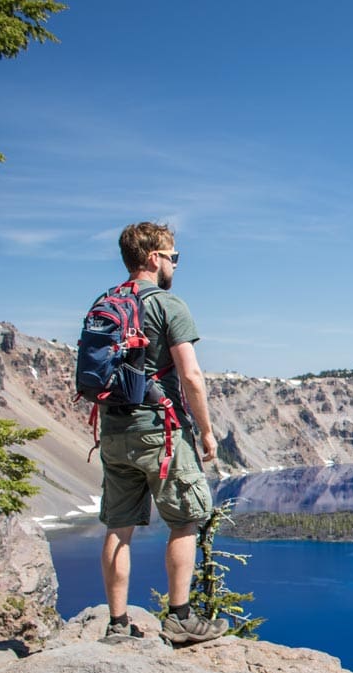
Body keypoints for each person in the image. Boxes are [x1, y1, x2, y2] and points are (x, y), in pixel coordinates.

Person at [97, 222, 227, 644]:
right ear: (154, 258)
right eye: (173, 256)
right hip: (160, 430)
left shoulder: (104, 303)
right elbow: (190, 375)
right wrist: (206, 431)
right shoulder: (168, 305)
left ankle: (117, 625)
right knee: (186, 519)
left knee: (119, 526)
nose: (175, 264)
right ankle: (179, 617)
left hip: (114, 430)